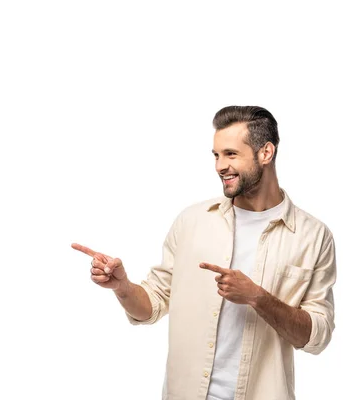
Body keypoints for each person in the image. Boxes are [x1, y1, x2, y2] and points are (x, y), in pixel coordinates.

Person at [71, 105, 336, 400]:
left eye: (231, 154)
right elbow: (151, 307)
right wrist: (122, 287)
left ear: (266, 153)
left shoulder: (313, 236)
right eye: (216, 155)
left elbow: (317, 337)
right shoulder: (192, 221)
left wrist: (256, 297)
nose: (220, 166)